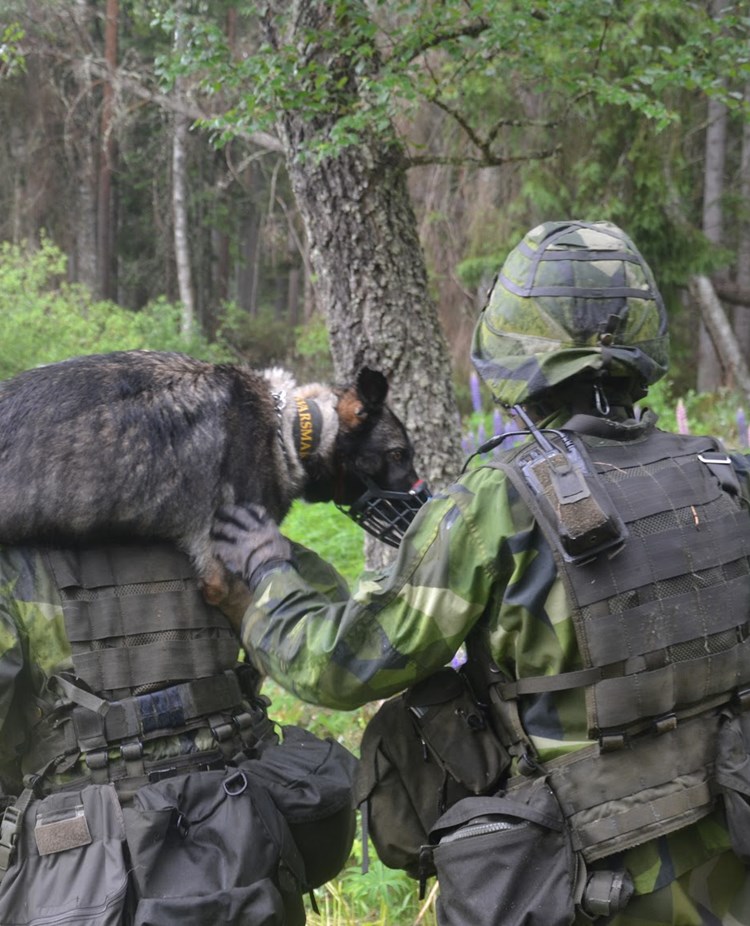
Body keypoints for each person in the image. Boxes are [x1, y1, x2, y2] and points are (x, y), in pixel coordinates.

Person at [211, 220, 750, 925]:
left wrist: (261, 579)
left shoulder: (497, 500)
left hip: (583, 880)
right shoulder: (723, 475)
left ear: (515, 346)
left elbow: (341, 665)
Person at [0, 539, 357, 925]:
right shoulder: (225, 535)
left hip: (81, 869)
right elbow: (328, 633)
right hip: (238, 841)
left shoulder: (16, 565)